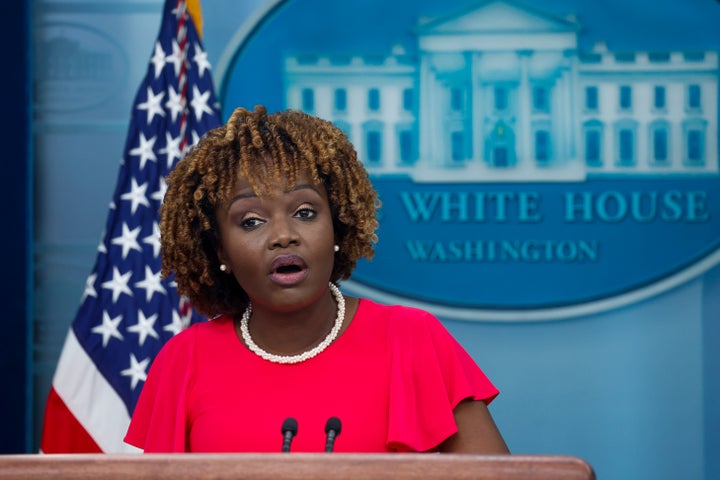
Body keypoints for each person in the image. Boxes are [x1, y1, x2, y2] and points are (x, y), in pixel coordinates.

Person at [124, 105, 509, 454]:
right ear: (221, 251)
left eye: (305, 212)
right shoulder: (184, 361)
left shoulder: (412, 340)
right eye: (252, 221)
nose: (283, 235)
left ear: (337, 225)